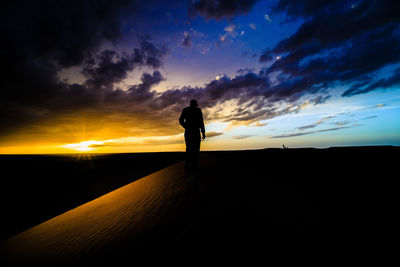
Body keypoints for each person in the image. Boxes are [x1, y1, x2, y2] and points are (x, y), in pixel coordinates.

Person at [179, 99, 206, 171]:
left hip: (190, 131)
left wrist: (185, 126)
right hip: (194, 131)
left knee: (189, 148)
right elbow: (201, 122)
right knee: (195, 149)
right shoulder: (198, 110)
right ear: (196, 104)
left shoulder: (186, 110)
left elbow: (181, 120)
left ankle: (189, 164)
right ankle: (192, 165)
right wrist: (203, 132)